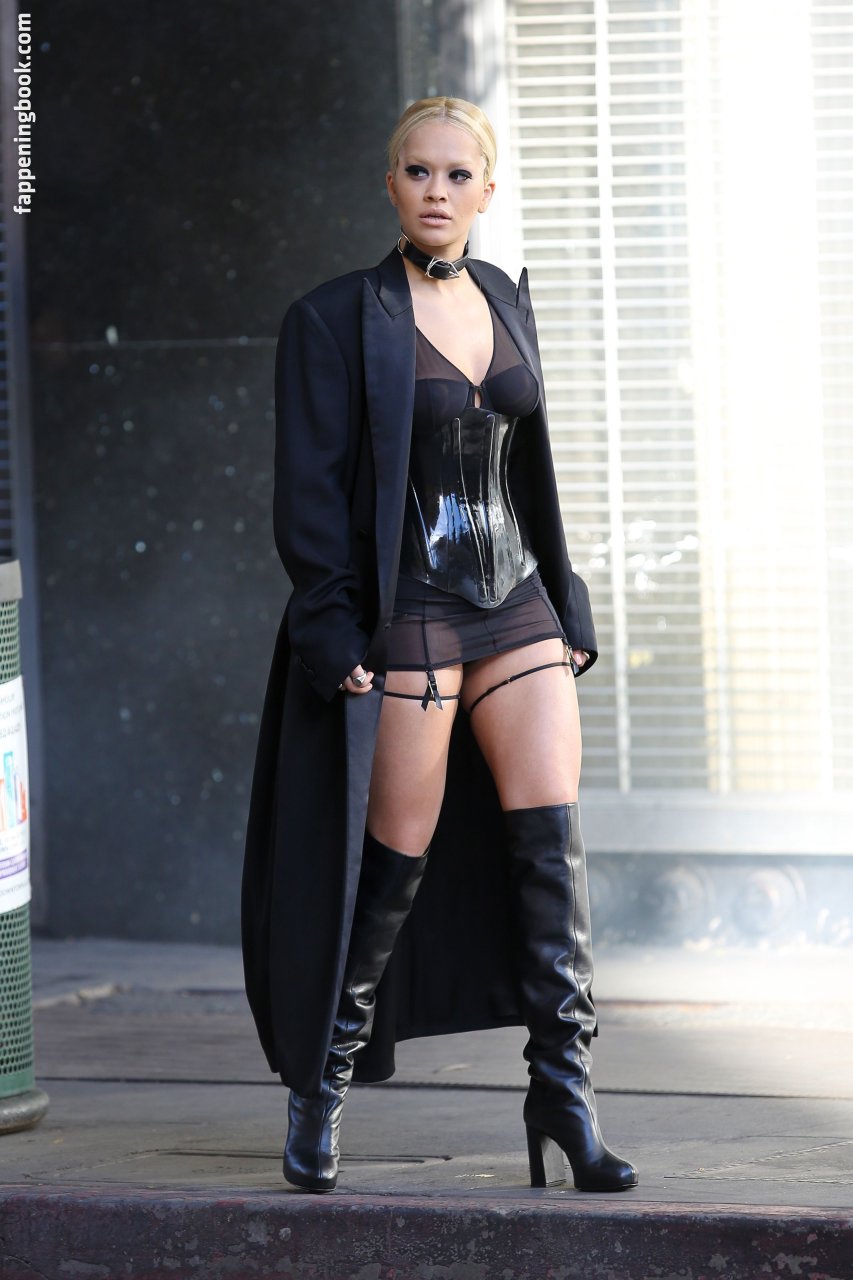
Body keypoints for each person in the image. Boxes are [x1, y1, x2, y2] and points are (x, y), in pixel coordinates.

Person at [241, 95, 638, 1196]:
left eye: (457, 175)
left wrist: (568, 602)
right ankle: (322, 1084)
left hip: (518, 604)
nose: (435, 190)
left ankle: (563, 1093)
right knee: (393, 861)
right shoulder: (335, 316)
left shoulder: (506, 295)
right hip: (412, 605)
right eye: (417, 171)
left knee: (550, 849)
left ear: (486, 190)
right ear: (389, 183)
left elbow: (530, 467)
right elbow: (308, 491)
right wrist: (329, 622)